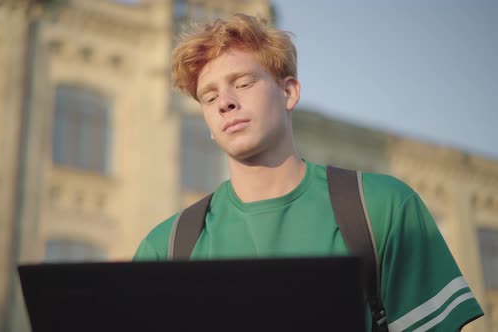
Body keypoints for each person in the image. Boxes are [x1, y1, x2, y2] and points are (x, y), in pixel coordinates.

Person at [133, 13, 484, 331]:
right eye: (209, 97)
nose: (225, 102)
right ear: (209, 123)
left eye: (242, 83)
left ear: (289, 92)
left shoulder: (383, 208)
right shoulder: (166, 248)